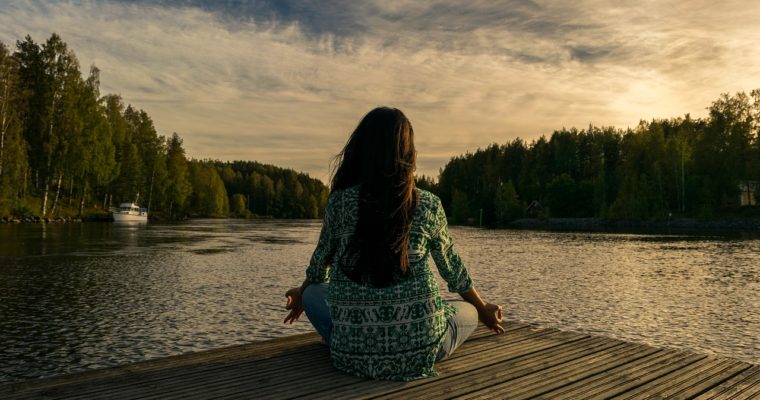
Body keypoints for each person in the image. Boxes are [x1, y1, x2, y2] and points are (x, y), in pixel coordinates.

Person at [283, 107, 504, 381]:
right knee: (467, 309)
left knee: (314, 292)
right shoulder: (428, 204)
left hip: (351, 355)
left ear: (361, 150)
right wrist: (484, 311)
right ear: (408, 153)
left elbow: (319, 266)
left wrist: (302, 293)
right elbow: (453, 271)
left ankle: (353, 338)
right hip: (422, 351)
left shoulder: (339, 203)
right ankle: (418, 332)